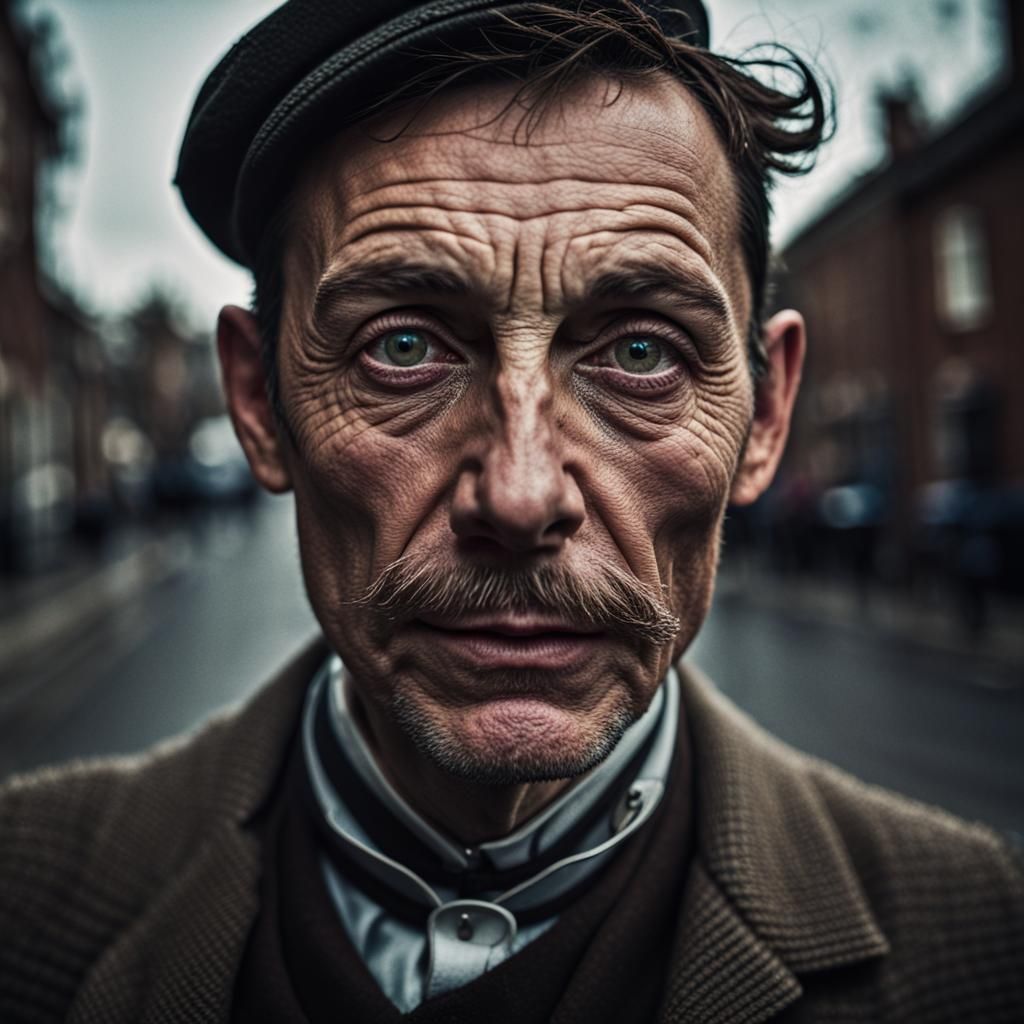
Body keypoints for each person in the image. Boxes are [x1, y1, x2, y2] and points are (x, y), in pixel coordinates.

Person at [1, 2, 1021, 1021]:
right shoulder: (28, 904)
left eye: (639, 352)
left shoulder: (977, 945)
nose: (523, 494)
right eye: (401, 347)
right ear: (261, 403)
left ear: (766, 416)